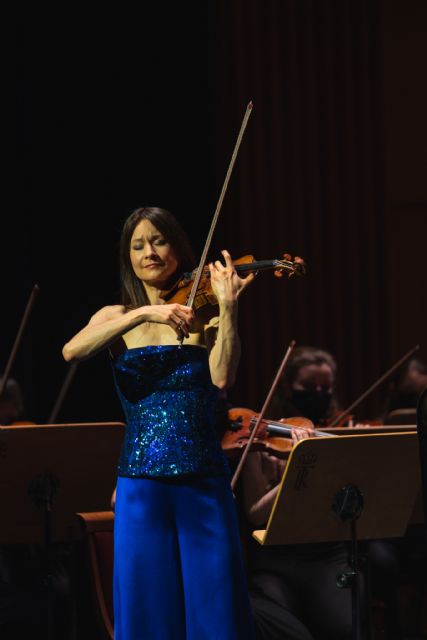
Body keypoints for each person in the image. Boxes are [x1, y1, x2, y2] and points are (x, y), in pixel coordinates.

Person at [62, 206, 256, 640]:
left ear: (177, 249)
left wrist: (228, 308)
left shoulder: (202, 312)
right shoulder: (115, 316)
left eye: (159, 241)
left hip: (203, 480)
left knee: (215, 604)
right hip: (140, 485)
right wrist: (143, 315)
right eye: (138, 245)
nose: (149, 252)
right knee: (147, 606)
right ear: (127, 257)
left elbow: (222, 377)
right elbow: (72, 352)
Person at [239, 346, 357, 640]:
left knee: (343, 628)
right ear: (288, 386)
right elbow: (256, 514)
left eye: (325, 388)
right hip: (276, 558)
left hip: (328, 553)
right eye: (308, 387)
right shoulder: (259, 438)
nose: (319, 393)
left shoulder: (339, 431)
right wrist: (302, 467)